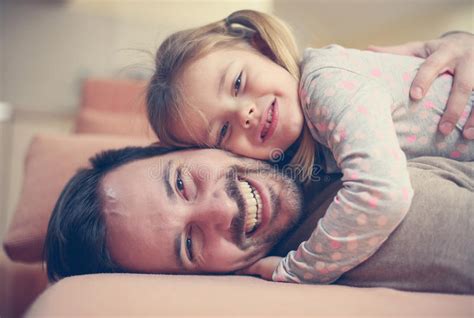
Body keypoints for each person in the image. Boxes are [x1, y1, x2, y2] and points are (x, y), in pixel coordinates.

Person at [145, 10, 474, 284]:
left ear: (262, 47)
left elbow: (382, 193)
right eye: (223, 131)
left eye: (237, 83)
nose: (244, 113)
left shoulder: (324, 83)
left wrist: (299, 269)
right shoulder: (306, 159)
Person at [43, 146, 474, 294]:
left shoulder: (299, 121)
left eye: (180, 183)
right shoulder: (372, 231)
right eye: (189, 246)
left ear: (189, 144)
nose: (224, 210)